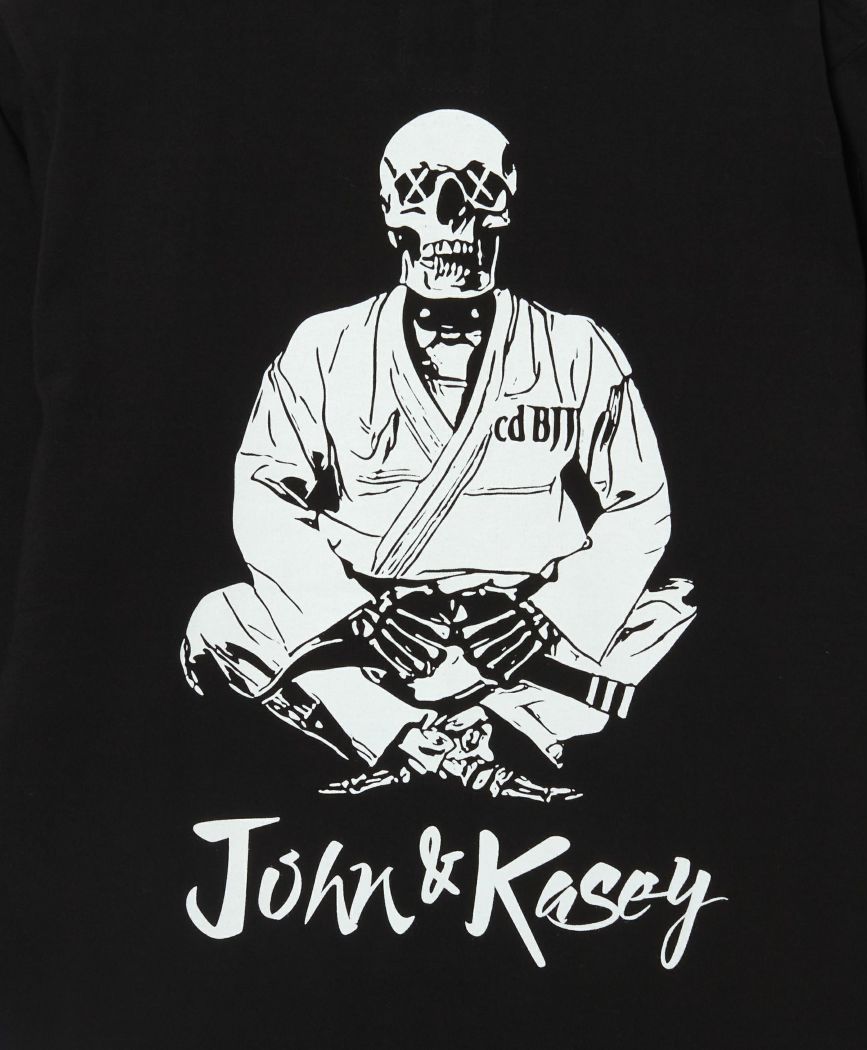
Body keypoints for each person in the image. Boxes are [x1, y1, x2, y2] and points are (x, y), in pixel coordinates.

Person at [180, 109, 695, 797]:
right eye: (421, 192)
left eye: (479, 192)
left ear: (506, 209)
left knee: (675, 610)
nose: (452, 217)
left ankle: (445, 741)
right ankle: (433, 742)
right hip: (375, 631)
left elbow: (642, 502)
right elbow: (264, 493)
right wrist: (355, 613)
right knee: (218, 623)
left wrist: (545, 616)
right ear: (390, 212)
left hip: (522, 634)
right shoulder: (324, 346)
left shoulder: (576, 347)